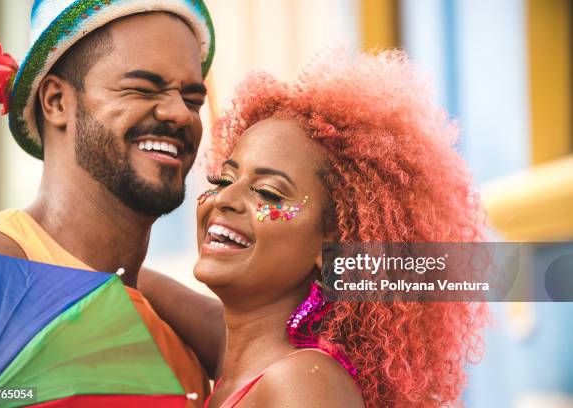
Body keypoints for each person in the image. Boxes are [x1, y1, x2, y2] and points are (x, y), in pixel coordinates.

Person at [182, 49, 486, 407]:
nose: (224, 199)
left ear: (332, 244)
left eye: (267, 192)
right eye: (223, 178)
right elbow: (130, 276)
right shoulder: (243, 358)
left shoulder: (301, 385)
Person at [0, 0, 221, 404]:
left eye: (192, 98)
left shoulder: (182, 342)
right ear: (57, 102)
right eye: (142, 88)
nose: (180, 114)